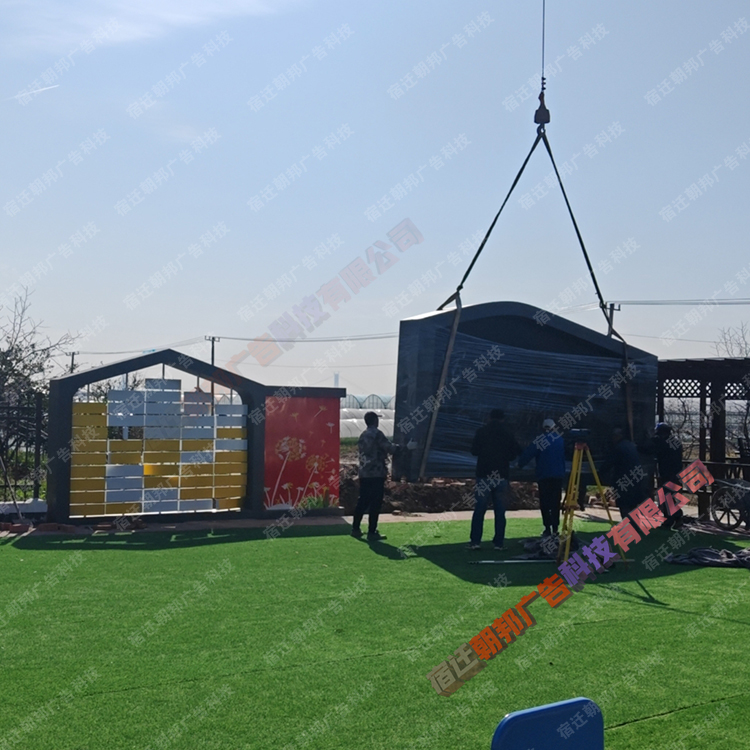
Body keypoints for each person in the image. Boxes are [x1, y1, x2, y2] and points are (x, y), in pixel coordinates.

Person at [352, 412, 415, 541]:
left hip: (364, 473)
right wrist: (406, 447)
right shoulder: (377, 434)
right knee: (375, 503)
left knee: (362, 501)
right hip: (376, 473)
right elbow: (390, 448)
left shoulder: (363, 435)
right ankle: (372, 532)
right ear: (375, 421)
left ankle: (355, 529)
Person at [468, 409, 521, 550]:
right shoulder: (508, 433)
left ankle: (475, 542)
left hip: (484, 474)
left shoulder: (481, 431)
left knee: (479, 509)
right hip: (501, 475)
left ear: (489, 418)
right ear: (503, 419)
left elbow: (474, 451)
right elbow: (514, 454)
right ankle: (498, 543)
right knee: (500, 511)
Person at [518, 418, 566, 537]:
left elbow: (528, 454)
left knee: (545, 502)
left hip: (544, 475)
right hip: (558, 476)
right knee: (555, 502)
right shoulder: (560, 440)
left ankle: (547, 528)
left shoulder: (541, 440)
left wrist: (519, 465)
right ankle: (555, 528)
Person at [600, 427, 648, 517]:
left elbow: (609, 463)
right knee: (632, 505)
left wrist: (601, 472)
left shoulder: (619, 448)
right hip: (635, 479)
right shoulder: (630, 445)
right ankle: (634, 523)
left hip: (624, 479)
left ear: (616, 436)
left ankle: (628, 523)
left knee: (624, 504)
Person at [647, 422, 684, 529]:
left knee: (666, 497)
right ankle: (674, 518)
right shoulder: (676, 442)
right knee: (668, 497)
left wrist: (649, 437)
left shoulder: (663, 443)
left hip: (667, 473)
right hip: (676, 473)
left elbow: (650, 449)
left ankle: (673, 518)